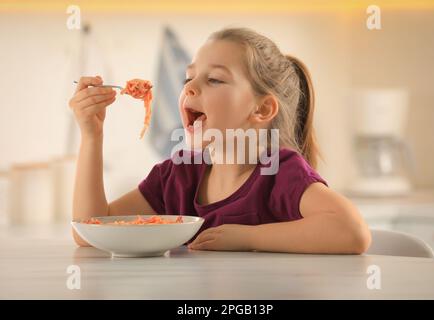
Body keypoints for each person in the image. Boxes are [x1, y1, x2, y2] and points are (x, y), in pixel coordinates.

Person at [69, 27, 371, 254]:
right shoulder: (177, 176)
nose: (189, 88)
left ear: (262, 108)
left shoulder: (279, 173)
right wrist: (92, 136)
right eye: (188, 78)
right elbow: (90, 232)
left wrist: (248, 238)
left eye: (214, 79)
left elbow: (352, 231)